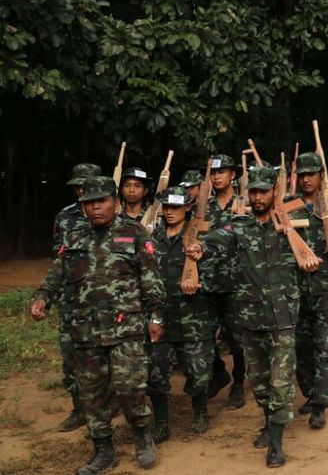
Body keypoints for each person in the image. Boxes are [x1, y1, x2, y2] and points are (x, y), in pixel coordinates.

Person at [30, 176, 165, 474]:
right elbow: (55, 276)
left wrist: (156, 317)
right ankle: (103, 450)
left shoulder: (135, 233)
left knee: (130, 388)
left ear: (115, 202)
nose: (95, 207)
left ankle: (142, 436)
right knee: (92, 394)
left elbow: (151, 280)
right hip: (86, 330)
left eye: (101, 201)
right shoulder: (74, 237)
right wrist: (42, 298)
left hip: (126, 328)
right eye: (89, 203)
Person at [187, 166, 318, 467]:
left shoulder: (293, 223)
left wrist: (307, 257)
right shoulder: (240, 226)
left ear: (275, 192)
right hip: (249, 314)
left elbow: (310, 253)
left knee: (281, 381)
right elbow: (220, 237)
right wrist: (201, 247)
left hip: (282, 315)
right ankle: (268, 422)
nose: (258, 197)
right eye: (254, 192)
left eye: (263, 192)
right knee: (259, 380)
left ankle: (277, 441)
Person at [147, 186, 213, 443]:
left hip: (192, 316)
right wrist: (153, 315)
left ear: (187, 208)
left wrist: (199, 284)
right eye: (166, 207)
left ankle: (200, 413)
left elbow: (216, 274)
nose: (170, 212)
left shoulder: (198, 238)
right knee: (156, 372)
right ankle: (161, 423)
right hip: (161, 315)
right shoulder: (153, 239)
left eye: (175, 207)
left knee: (197, 371)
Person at [292, 152, 328, 429]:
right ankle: (310, 393)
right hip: (297, 288)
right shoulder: (288, 205)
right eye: (302, 175)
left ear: (321, 175)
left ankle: (321, 404)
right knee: (302, 348)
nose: (306, 179)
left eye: (311, 174)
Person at [51, 163, 102, 433]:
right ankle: (79, 409)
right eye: (78, 186)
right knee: (70, 354)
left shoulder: (111, 214)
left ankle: (107, 404)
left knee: (104, 355)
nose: (82, 190)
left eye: (87, 185)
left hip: (104, 297)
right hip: (72, 298)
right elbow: (58, 258)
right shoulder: (64, 217)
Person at [202, 154, 246, 408]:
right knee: (204, 334)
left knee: (237, 338)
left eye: (222, 172)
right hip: (208, 281)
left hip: (237, 281)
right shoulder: (203, 207)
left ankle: (238, 383)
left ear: (233, 174)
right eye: (213, 172)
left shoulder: (243, 203)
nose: (217, 176)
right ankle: (219, 372)